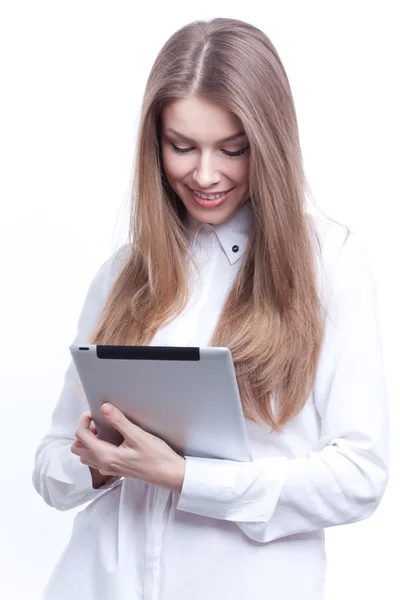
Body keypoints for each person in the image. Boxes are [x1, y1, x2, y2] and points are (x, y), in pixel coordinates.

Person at [32, 17, 390, 600]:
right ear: (156, 144)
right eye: (181, 147)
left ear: (270, 144)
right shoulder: (124, 273)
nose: (204, 174)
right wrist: (99, 464)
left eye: (232, 149)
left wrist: (187, 477)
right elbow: (49, 468)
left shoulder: (331, 264)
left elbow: (358, 478)